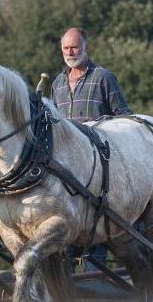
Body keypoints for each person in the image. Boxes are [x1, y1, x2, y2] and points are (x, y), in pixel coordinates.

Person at [51, 27, 132, 271]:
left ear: (87, 47)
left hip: (98, 166)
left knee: (96, 222)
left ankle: (97, 280)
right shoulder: (57, 83)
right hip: (67, 168)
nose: (70, 52)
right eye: (66, 48)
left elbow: (124, 118)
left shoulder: (104, 77)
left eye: (75, 46)